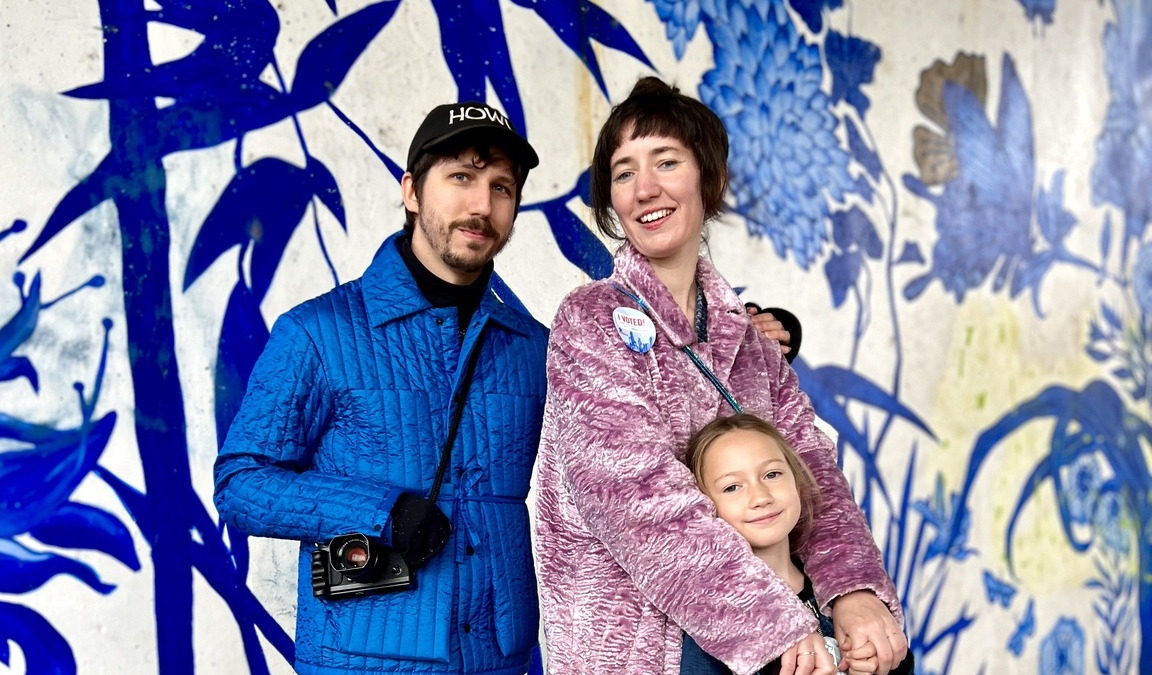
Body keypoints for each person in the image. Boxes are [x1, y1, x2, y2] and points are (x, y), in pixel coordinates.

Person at [533, 76, 908, 675]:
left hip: (773, 641)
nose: (644, 188)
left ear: (709, 178)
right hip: (644, 651)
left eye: (666, 162)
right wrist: (772, 625)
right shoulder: (590, 321)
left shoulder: (749, 342)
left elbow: (813, 478)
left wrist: (854, 591)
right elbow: (638, 500)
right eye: (624, 173)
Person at [214, 101, 548, 675]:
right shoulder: (317, 332)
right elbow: (241, 485)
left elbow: (628, 436)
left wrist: (741, 331)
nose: (481, 205)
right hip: (361, 658)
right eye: (461, 178)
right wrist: (380, 511)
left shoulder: (534, 346)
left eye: (502, 187)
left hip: (501, 658)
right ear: (412, 191)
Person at [683, 414, 916, 675]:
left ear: (797, 479)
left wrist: (883, 664)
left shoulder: (841, 598)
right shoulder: (714, 619)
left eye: (772, 474)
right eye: (732, 487)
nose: (760, 497)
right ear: (703, 507)